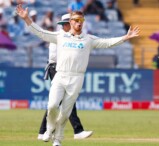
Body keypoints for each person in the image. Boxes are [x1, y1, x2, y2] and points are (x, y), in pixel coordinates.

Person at [16, 4, 139, 146]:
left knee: (65, 112)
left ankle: (57, 140)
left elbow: (107, 43)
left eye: (81, 20)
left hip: (77, 78)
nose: (79, 23)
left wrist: (125, 37)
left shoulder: (88, 39)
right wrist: (27, 19)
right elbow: (42, 33)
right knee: (52, 106)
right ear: (70, 22)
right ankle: (49, 130)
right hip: (60, 75)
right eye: (76, 20)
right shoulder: (61, 37)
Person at [38, 13, 93, 140]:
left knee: (57, 103)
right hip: (58, 69)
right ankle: (77, 130)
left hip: (61, 69)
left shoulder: (67, 36)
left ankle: (43, 132)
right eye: (67, 24)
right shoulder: (61, 37)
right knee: (62, 103)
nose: (69, 26)